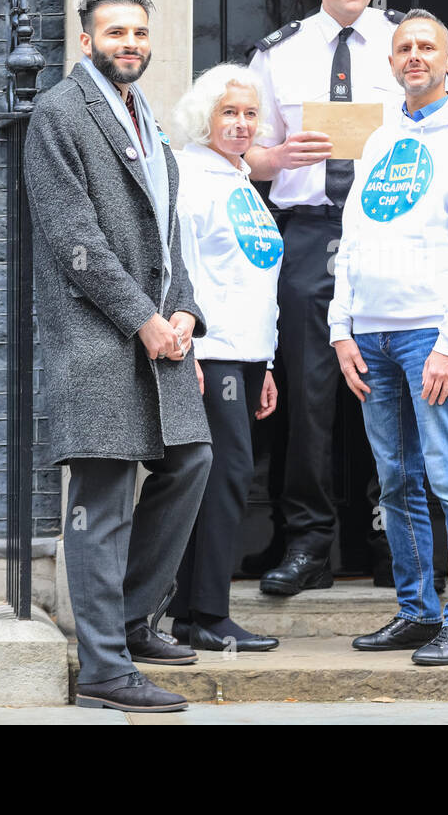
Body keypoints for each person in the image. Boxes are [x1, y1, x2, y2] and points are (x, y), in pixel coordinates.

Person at [24, 0, 211, 713]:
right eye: (114, 33)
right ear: (86, 40)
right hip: (99, 341)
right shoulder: (60, 114)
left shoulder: (144, 119)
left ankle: (131, 620)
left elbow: (167, 229)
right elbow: (75, 240)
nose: (128, 44)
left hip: (161, 338)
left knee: (191, 461)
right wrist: (143, 319)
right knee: (100, 504)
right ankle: (103, 670)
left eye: (137, 32)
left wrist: (187, 307)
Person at [330, 9, 448, 665]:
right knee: (395, 482)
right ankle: (416, 611)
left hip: (428, 333)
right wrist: (341, 328)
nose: (413, 56)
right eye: (403, 47)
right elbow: (352, 237)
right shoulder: (380, 137)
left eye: (427, 46)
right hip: (370, 336)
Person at [246, 0, 406, 593]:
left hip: (390, 228)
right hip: (307, 229)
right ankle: (307, 542)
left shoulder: (406, 42)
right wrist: (278, 159)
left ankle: (391, 540)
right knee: (309, 391)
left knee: (388, 385)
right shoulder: (277, 53)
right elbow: (245, 150)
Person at [165, 63, 283, 652]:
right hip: (210, 353)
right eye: (228, 113)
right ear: (203, 118)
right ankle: (208, 614)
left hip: (246, 355)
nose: (241, 124)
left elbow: (257, 278)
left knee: (219, 477)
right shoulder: (190, 176)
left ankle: (190, 614)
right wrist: (194, 353)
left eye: (249, 113)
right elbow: (179, 271)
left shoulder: (240, 181)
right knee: (228, 476)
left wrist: (268, 363)